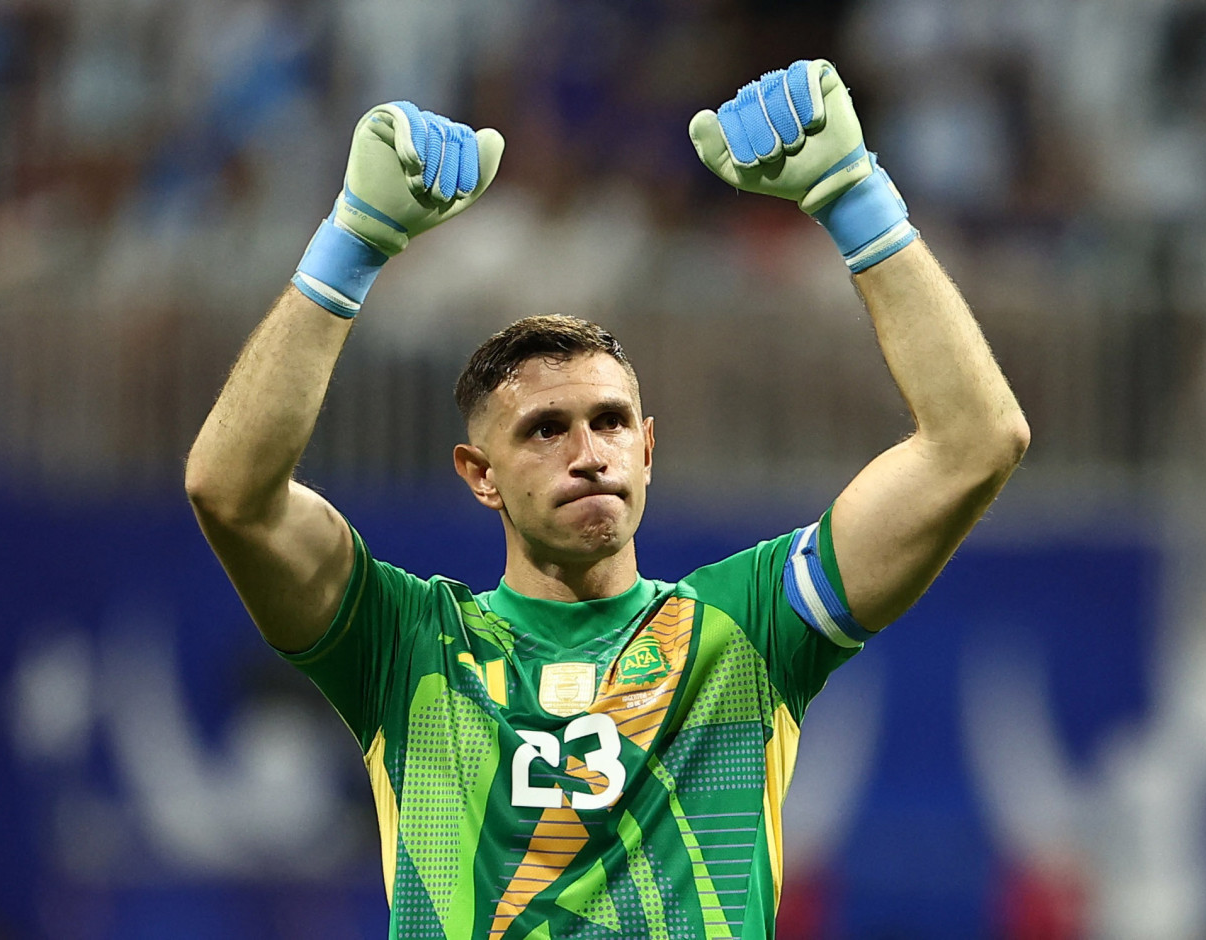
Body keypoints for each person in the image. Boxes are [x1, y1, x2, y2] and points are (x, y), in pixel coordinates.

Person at [186, 60, 1029, 938]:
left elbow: (975, 444)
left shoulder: (744, 632)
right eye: (545, 430)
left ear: (649, 448)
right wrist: (349, 244)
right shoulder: (408, 647)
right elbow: (232, 495)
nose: (589, 453)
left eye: (612, 422)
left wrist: (858, 197)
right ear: (480, 474)